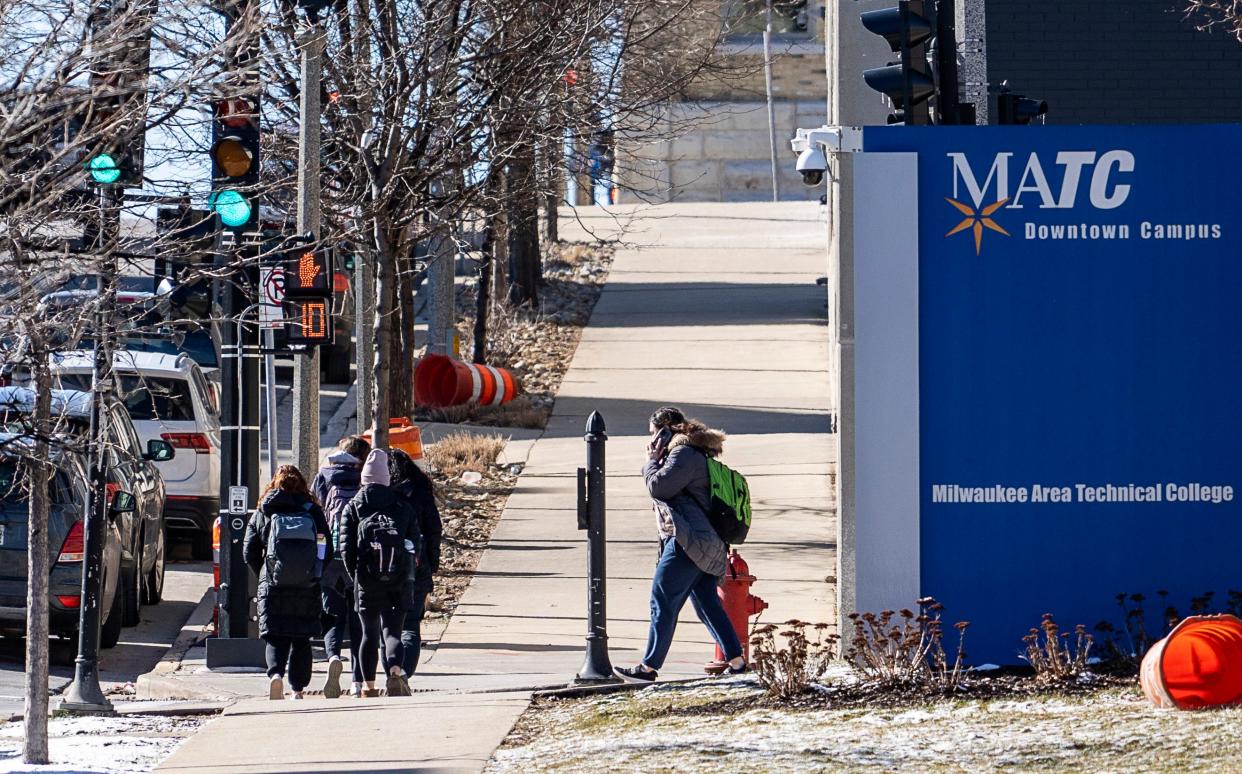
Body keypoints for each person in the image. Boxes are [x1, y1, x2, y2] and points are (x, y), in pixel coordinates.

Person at [615, 406, 745, 683]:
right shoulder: (692, 453)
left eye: (653, 435)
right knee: (707, 604)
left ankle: (648, 668)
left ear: (665, 432)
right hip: (705, 542)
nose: (650, 441)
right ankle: (736, 661)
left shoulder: (683, 454)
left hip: (688, 541)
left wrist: (650, 461)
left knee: (662, 600)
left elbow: (658, 487)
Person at [243, 465, 332, 700]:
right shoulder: (312, 511)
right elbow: (325, 545)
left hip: (273, 584)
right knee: (301, 638)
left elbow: (249, 551)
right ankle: (298, 689)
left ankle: (275, 676)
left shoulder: (264, 511)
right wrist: (316, 570)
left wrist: (264, 572)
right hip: (307, 584)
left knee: (275, 635)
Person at [340, 448, 421, 697]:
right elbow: (415, 543)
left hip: (366, 580)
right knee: (393, 631)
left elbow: (345, 548)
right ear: (387, 479)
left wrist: (357, 575)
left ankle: (369, 687)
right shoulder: (402, 506)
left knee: (369, 634)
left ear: (363, 479)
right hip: (398, 579)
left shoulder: (354, 507)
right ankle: (395, 672)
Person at [312, 435, 370, 698]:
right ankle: (358, 680)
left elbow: (315, 511)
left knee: (331, 615)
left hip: (329, 554)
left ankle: (333, 655)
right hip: (355, 557)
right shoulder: (362, 477)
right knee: (358, 619)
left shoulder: (323, 475)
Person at [384, 448, 442, 677]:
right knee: (411, 624)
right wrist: (432, 563)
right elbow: (434, 530)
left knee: (387, 626)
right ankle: (404, 674)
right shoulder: (421, 492)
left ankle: (391, 672)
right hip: (417, 565)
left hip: (384, 565)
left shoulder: (381, 495)